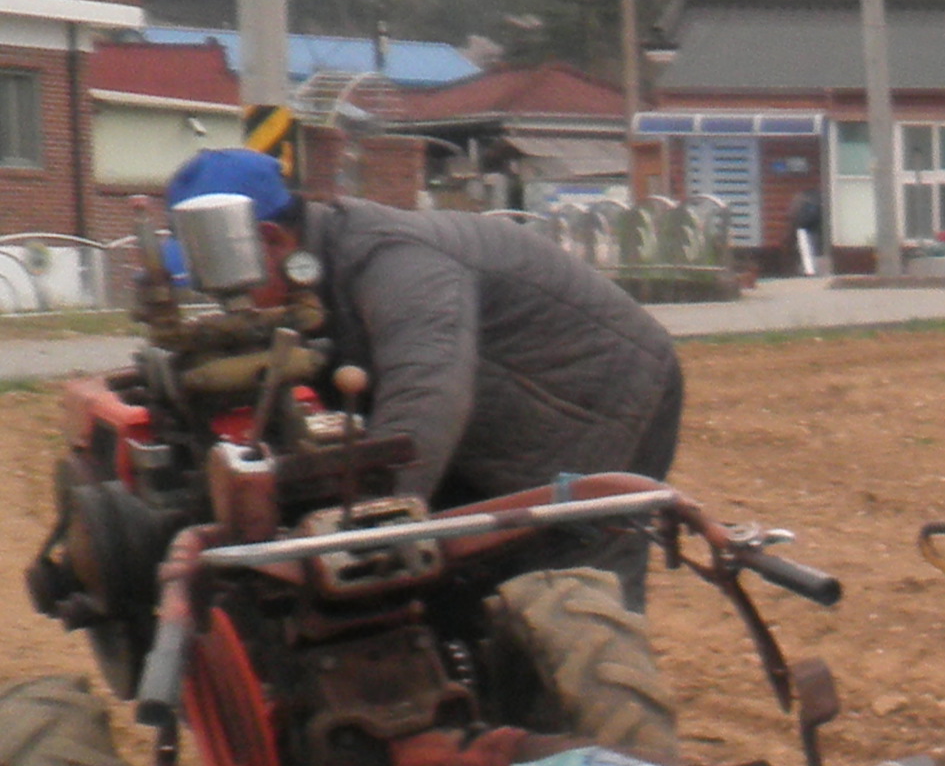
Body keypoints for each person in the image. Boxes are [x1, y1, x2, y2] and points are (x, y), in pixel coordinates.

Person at [164, 146, 687, 607]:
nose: (222, 307)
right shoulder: (322, 269)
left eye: (228, 288)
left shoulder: (393, 259)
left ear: (271, 240)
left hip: (600, 396)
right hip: (502, 415)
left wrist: (363, 533)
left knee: (565, 585)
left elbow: (427, 396)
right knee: (459, 590)